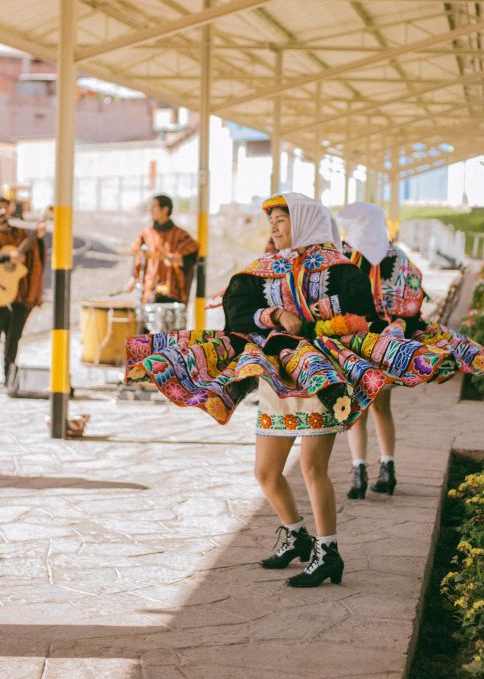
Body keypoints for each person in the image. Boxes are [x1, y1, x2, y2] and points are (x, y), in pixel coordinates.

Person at [125, 193, 457, 587]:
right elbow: (238, 309)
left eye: (282, 220)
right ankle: (296, 534)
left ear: (302, 222)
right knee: (265, 472)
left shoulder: (339, 268)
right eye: (273, 222)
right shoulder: (267, 267)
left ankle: (328, 551)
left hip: (322, 378)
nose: (275, 229)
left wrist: (312, 321)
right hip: (276, 376)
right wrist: (275, 314)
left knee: (311, 468)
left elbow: (360, 314)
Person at [337, 201, 484, 500]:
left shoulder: (344, 256)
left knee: (356, 405)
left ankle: (358, 473)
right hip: (389, 344)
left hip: (354, 343)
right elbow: (412, 299)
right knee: (381, 407)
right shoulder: (396, 256)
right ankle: (387, 469)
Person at [0, 197, 47, 384]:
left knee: (14, 337)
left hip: (20, 294)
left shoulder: (20, 234)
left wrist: (40, 239)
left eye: (5, 209)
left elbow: (37, 257)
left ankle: (8, 375)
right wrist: (5, 258)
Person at [127, 195, 198, 305]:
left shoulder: (180, 235)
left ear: (165, 210)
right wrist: (133, 278)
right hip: (150, 291)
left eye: (154, 207)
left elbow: (191, 256)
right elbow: (137, 255)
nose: (150, 210)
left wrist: (176, 259)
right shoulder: (146, 234)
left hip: (173, 293)